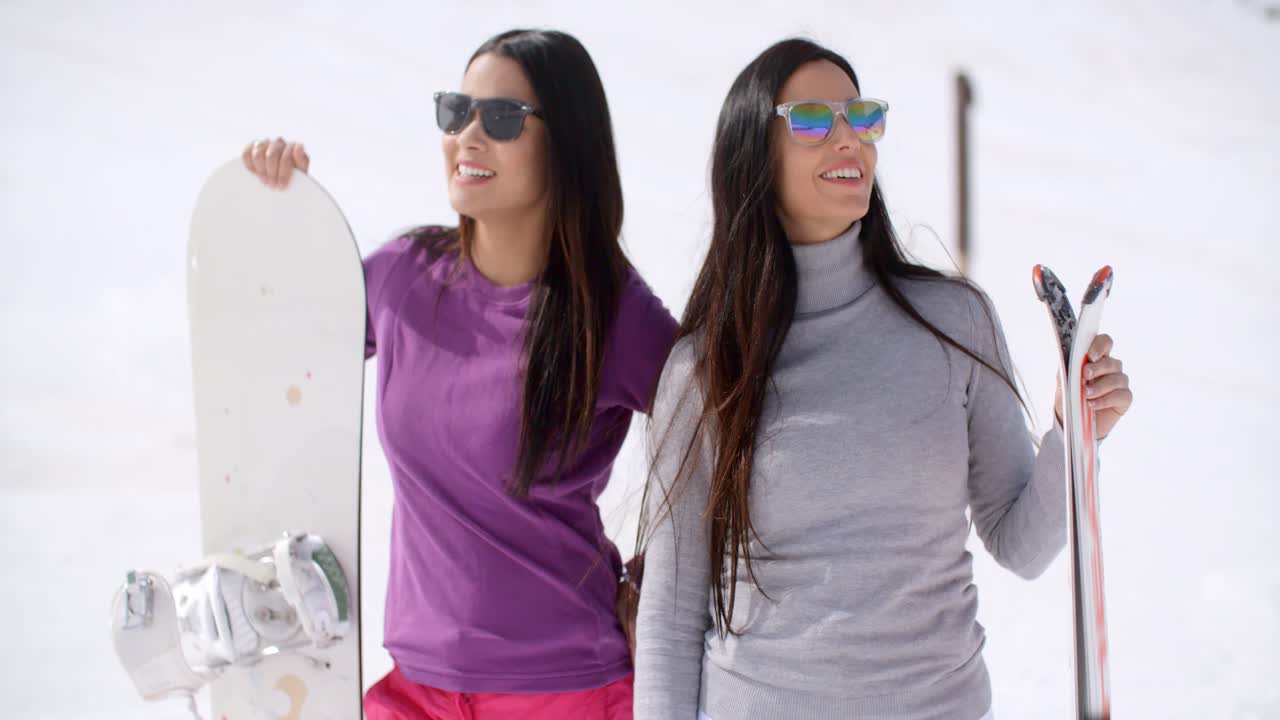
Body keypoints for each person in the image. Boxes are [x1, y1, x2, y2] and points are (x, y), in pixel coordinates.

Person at [633, 38, 1133, 720]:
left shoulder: (954, 321)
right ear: (754, 153)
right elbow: (669, 612)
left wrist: (1074, 434)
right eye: (813, 121)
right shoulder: (708, 367)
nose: (850, 140)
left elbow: (1023, 543)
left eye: (863, 118)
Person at [243, 28, 677, 720]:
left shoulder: (612, 312)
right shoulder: (401, 277)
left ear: (565, 143)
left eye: (502, 119)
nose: (468, 136)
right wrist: (277, 212)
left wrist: (660, 578)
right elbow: (281, 345)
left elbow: (726, 435)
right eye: (456, 111)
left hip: (564, 687)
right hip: (414, 685)